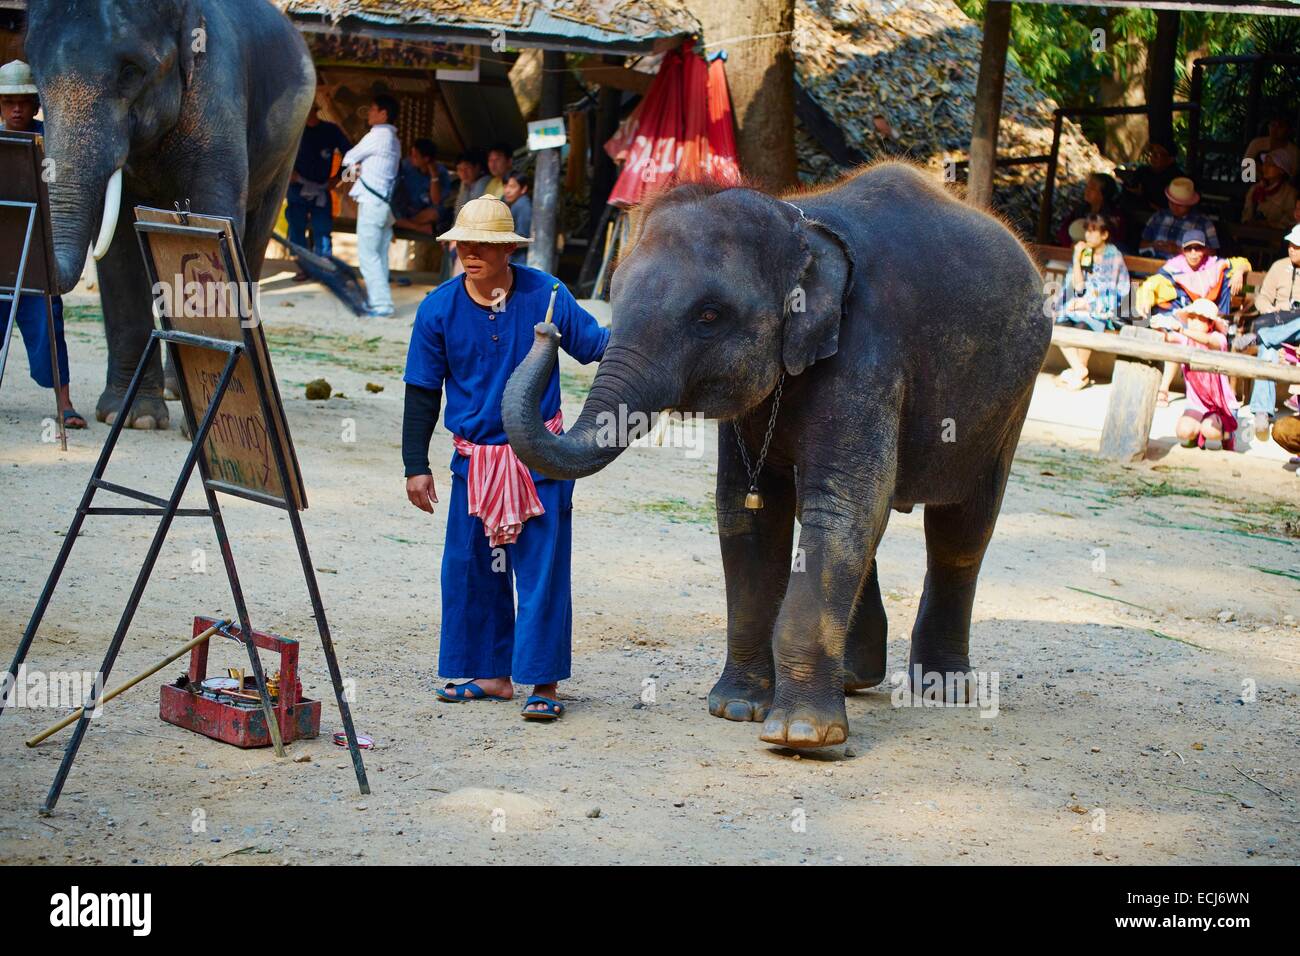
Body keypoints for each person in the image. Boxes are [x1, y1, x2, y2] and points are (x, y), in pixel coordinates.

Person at [401, 196, 610, 721]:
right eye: (463, 244)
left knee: (542, 570)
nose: (470, 253)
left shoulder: (548, 296)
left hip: (542, 458)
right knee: (471, 568)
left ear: (507, 252)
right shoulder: (438, 309)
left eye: (483, 246)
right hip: (475, 462)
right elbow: (422, 392)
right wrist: (414, 465)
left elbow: (598, 347)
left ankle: (544, 683)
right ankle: (491, 676)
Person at [0, 59, 84, 427]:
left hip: (36, 248)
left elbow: (61, 189)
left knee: (48, 323)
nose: (16, 108)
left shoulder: (53, 141)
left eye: (23, 100)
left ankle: (63, 403)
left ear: (36, 104)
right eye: (8, 101)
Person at [1234, 225, 1300, 439]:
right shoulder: (1279, 266)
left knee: (1273, 335)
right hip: (1278, 324)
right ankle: (1262, 411)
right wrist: (1269, 309)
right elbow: (1262, 297)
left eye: (1297, 246)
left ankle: (1260, 335)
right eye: (1291, 245)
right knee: (1268, 350)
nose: (1292, 249)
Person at [1053, 214, 1131, 390]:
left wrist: (1089, 304)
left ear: (1104, 234)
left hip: (1104, 309)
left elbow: (1112, 292)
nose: (1088, 235)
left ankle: (1077, 373)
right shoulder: (1085, 253)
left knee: (1082, 327)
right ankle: (1080, 371)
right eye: (1087, 231)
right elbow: (1078, 287)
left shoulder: (1114, 256)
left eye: (1093, 231)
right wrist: (1076, 257)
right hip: (1081, 306)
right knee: (1059, 326)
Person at [341, 94, 401, 318]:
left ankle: (381, 304)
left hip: (373, 203)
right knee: (380, 254)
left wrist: (351, 169)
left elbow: (349, 157)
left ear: (384, 113)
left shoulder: (378, 135)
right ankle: (382, 302)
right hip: (383, 205)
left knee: (368, 255)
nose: (369, 113)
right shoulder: (394, 139)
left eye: (373, 109)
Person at [1154, 298, 1239, 450]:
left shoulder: (1219, 338)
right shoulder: (1185, 339)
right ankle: (1196, 434)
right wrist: (1159, 326)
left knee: (1210, 430)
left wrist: (1182, 330)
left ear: (1211, 324)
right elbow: (1167, 338)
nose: (1192, 322)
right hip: (1197, 403)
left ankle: (1228, 435)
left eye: (1198, 319)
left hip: (1223, 405)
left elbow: (1208, 341)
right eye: (1191, 317)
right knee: (1183, 431)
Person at [286, 101, 350, 272]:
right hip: (297, 187)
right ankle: (303, 268)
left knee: (322, 229)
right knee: (296, 228)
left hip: (322, 188)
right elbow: (279, 153)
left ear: (315, 111)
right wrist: (287, 172)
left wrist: (339, 177)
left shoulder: (330, 131)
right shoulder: (294, 129)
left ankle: (324, 267)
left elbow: (350, 154)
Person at [1140, 177, 1219, 259]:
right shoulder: (1158, 216)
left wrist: (1179, 250)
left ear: (1189, 204)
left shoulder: (1204, 223)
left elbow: (1212, 254)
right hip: (1152, 266)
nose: (1174, 207)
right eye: (1171, 202)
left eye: (1180, 204)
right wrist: (1154, 245)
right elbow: (1142, 245)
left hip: (1185, 270)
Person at [1056, 173, 1126, 250]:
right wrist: (1071, 244)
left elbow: (1116, 240)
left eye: (1092, 188)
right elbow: (1063, 231)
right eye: (1087, 187)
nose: (1087, 191)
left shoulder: (1114, 215)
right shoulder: (1081, 210)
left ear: (1103, 193)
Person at [393, 138, 448, 235]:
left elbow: (436, 201)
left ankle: (405, 225)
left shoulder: (441, 171)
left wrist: (434, 176)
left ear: (426, 158)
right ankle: (418, 228)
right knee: (388, 215)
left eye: (415, 156)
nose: (411, 158)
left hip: (423, 213)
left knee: (435, 213)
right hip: (405, 210)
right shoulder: (407, 165)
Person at [1241, 149, 1298, 231]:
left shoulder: (1290, 194)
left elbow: (1291, 221)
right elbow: (1246, 214)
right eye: (1265, 163)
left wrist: (1268, 225)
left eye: (1271, 164)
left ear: (1281, 170)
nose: (1265, 167)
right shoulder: (1255, 189)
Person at [502, 172, 532, 265]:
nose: (507, 190)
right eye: (505, 186)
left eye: (512, 187)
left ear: (523, 189)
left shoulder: (522, 205)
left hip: (518, 259)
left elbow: (523, 235)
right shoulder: (513, 203)